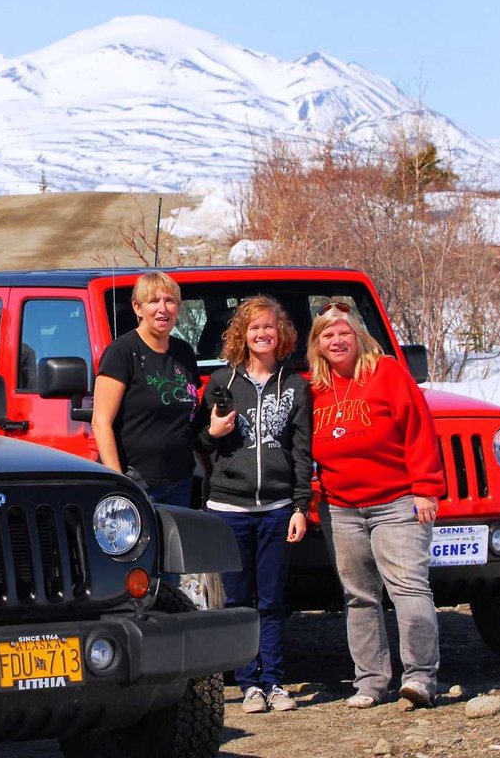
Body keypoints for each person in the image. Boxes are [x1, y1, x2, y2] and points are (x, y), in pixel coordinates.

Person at [307, 302, 446, 710]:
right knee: (358, 596)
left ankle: (420, 678)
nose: (336, 340)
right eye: (327, 335)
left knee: (408, 587)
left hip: (397, 501)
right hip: (341, 508)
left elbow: (418, 428)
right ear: (317, 344)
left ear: (358, 336)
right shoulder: (313, 387)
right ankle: (370, 681)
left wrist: (425, 488)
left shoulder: (386, 372)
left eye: (343, 333)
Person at [196, 296, 312, 714]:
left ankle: (275, 681)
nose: (262, 334)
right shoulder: (221, 384)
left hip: (278, 508)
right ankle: (248, 684)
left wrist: (300, 505)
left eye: (270, 327)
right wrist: (213, 430)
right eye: (254, 327)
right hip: (229, 509)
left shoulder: (295, 385)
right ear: (241, 335)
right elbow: (203, 442)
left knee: (273, 600)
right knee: (238, 600)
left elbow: (301, 451)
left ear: (281, 335)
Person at [92, 271, 200, 509]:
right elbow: (101, 422)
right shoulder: (122, 352)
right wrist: (118, 482)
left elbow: (191, 418)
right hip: (135, 481)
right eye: (153, 301)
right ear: (138, 308)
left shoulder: (183, 353)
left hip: (179, 480)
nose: (163, 309)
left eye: (170, 301)